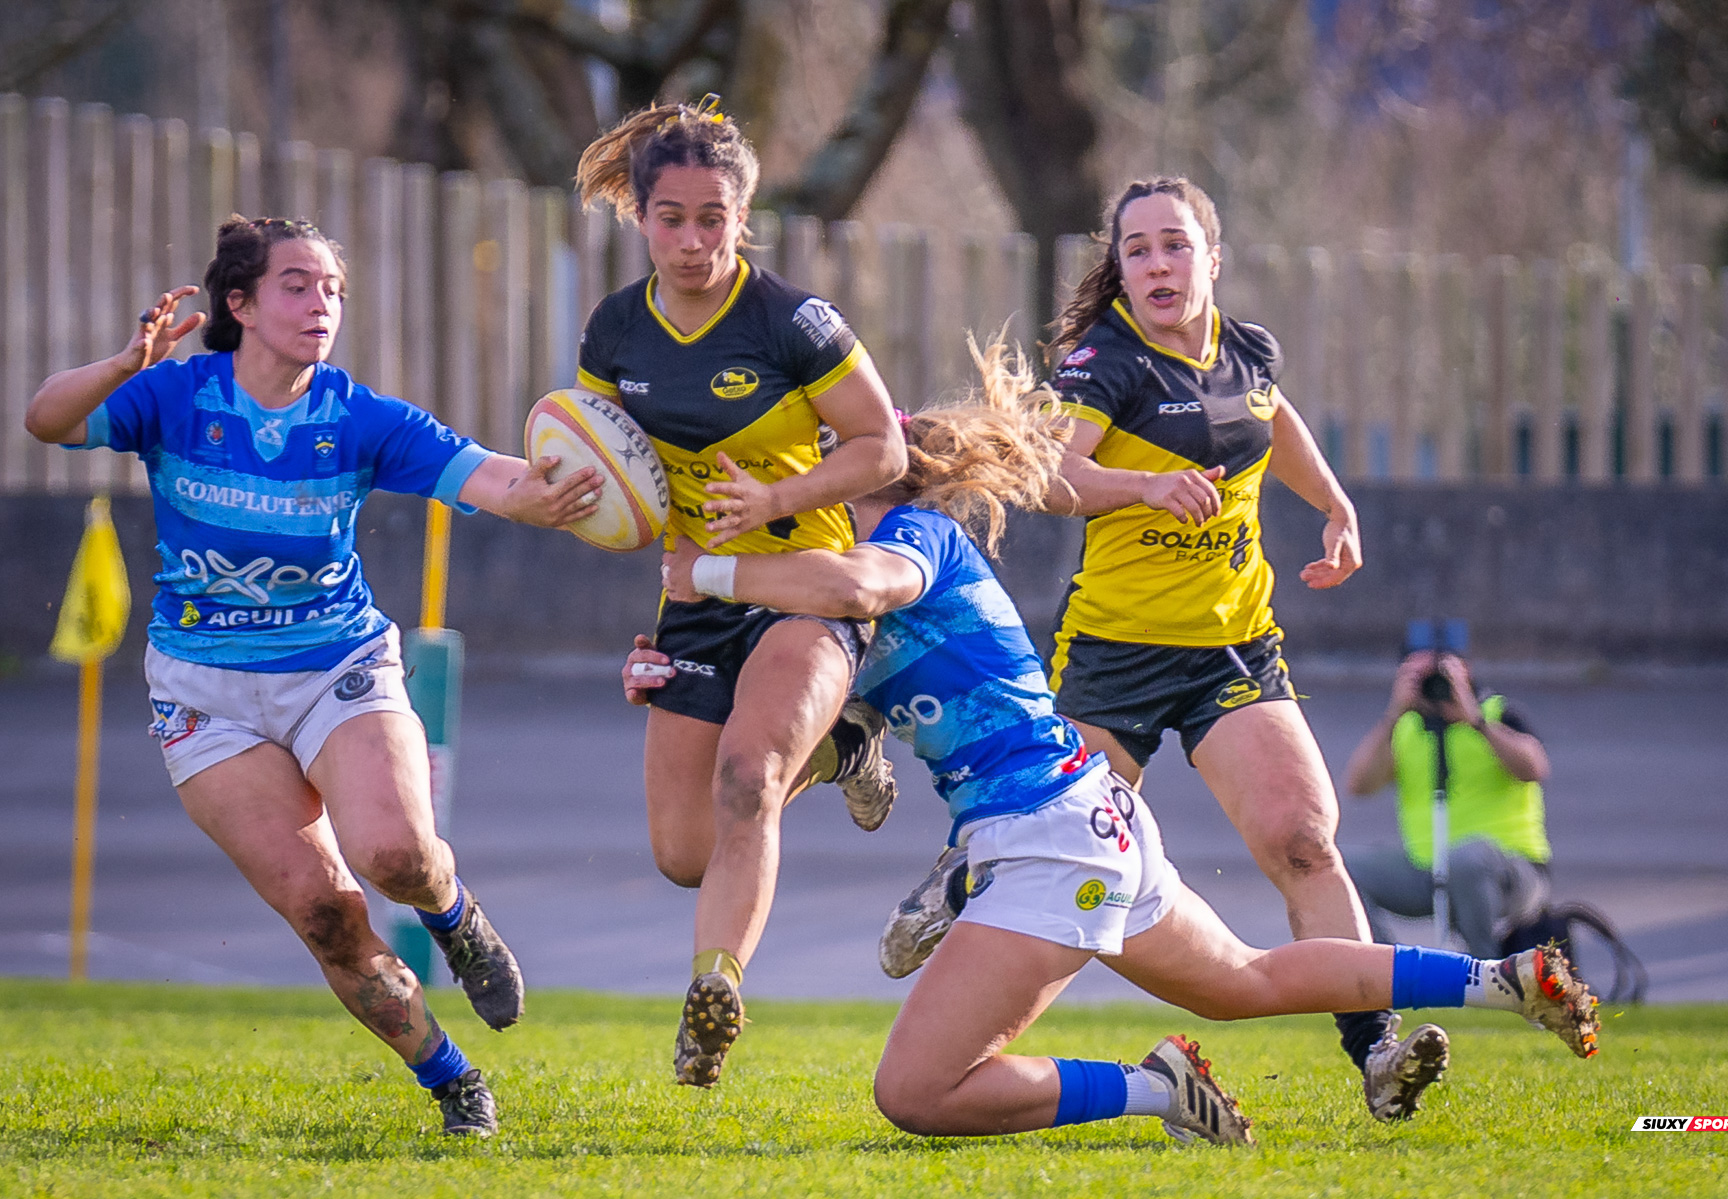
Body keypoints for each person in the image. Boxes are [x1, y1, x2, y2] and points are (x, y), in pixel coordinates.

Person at [627, 347, 1599, 1143]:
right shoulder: (842, 572)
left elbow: (855, 588)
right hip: (1087, 815)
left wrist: (707, 572)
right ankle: (1504, 978)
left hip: (1050, 839)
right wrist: (677, 684)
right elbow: (789, 748)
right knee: (1247, 980)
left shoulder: (915, 538)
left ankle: (1155, 1088)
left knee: (915, 1089)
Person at [23, 216, 601, 1137]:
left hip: (337, 667)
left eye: (332, 287)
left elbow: (494, 481)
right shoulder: (171, 397)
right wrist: (126, 362)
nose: (321, 304)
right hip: (205, 695)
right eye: (297, 284)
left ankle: (454, 914)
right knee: (328, 914)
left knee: (396, 858)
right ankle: (454, 1082)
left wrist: (560, 494)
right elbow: (46, 419)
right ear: (240, 304)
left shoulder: (358, 415)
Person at [1036, 175, 1435, 1120]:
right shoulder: (1106, 363)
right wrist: (1144, 489)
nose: (1157, 263)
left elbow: (1272, 416)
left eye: (1175, 244)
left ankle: (1376, 1048)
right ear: (1120, 268)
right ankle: (960, 907)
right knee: (1060, 865)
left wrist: (1334, 504)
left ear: (1212, 256)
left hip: (1234, 650)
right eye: (1137, 250)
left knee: (1305, 841)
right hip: (1115, 650)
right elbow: (1051, 476)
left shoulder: (1246, 349)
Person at [572, 97, 908, 1087]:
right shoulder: (613, 332)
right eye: (671, 217)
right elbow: (610, 472)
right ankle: (847, 741)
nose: (690, 239)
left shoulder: (791, 320)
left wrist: (781, 491)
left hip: (807, 583)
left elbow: (883, 444)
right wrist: (570, 497)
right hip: (698, 596)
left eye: (711, 217)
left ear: (742, 214)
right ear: (639, 214)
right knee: (684, 849)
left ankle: (712, 993)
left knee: (749, 777)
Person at [1342, 646, 1553, 958]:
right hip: (1428, 872)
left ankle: (1487, 976)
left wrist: (1475, 720)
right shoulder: (1406, 728)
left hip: (1510, 871)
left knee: (1467, 859)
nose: (1434, 687)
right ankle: (1386, 972)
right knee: (1336, 868)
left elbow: (1534, 768)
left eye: (1440, 676)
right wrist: (1394, 714)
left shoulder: (1499, 714)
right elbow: (1359, 785)